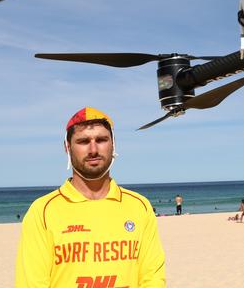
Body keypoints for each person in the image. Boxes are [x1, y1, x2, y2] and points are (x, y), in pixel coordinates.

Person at [15, 107, 166, 287]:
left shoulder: (140, 206)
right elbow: (32, 283)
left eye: (101, 140)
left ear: (113, 144)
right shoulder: (43, 211)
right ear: (67, 147)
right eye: (83, 141)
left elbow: (153, 278)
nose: (93, 149)